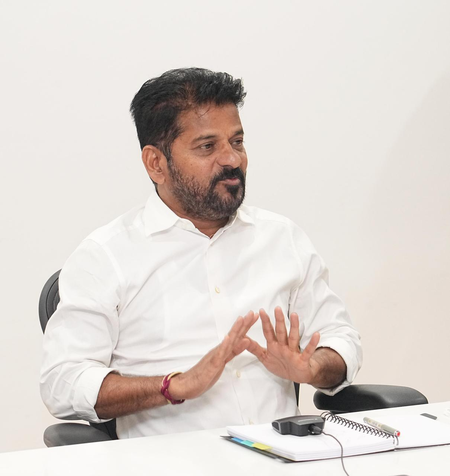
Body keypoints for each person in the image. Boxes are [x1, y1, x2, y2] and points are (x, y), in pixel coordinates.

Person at [40, 68, 362, 439]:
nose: (232, 159)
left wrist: (312, 369)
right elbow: (62, 382)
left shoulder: (281, 237)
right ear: (156, 163)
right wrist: (173, 386)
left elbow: (341, 339)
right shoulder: (106, 255)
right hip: (170, 461)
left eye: (237, 141)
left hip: (286, 455)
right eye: (207, 147)